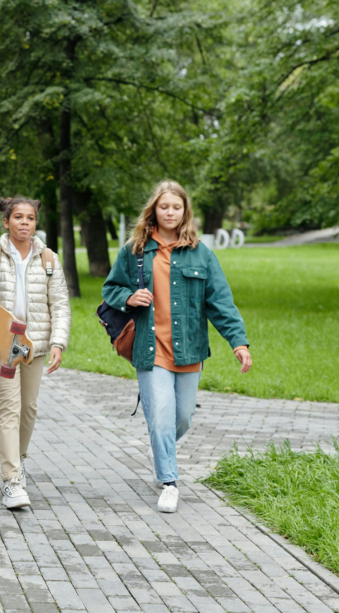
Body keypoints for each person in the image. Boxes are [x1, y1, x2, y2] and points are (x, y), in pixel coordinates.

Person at [102, 180, 252, 513]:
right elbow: (110, 288)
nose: (170, 212)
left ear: (185, 212)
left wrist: (238, 342)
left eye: (176, 207)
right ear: (154, 209)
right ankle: (169, 482)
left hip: (189, 349)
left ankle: (161, 449)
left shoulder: (201, 253)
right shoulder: (135, 251)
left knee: (181, 418)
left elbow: (220, 302)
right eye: (164, 206)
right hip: (150, 347)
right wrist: (129, 297)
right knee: (161, 416)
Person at [0, 196, 71, 509]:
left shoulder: (49, 260)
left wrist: (58, 342)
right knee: (9, 407)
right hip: (3, 345)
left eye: (30, 218)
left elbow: (60, 305)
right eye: (18, 217)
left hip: (36, 345)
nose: (24, 223)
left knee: (28, 408)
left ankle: (19, 457)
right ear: (6, 221)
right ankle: (12, 480)